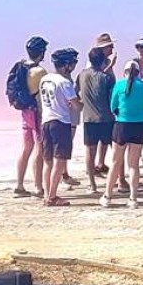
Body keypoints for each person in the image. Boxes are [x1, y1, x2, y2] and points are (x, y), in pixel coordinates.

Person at [39, 48, 83, 207]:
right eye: (73, 63)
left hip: (46, 121)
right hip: (60, 122)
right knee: (59, 160)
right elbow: (77, 106)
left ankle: (47, 194)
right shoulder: (65, 82)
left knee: (48, 161)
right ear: (66, 65)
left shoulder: (45, 79)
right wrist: (81, 104)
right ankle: (52, 196)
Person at [103, 61, 143, 208]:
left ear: (125, 72)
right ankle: (133, 198)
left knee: (115, 162)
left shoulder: (119, 85)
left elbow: (113, 106)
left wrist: (121, 114)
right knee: (134, 164)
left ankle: (108, 196)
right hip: (140, 125)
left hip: (122, 125)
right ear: (138, 73)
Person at [10, 36, 48, 198]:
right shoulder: (40, 72)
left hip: (25, 111)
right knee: (39, 148)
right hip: (36, 112)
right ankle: (38, 187)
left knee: (26, 148)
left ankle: (19, 185)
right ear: (41, 52)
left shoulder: (21, 66)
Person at [76, 47, 115, 193]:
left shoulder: (81, 75)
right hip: (106, 118)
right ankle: (119, 180)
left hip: (88, 118)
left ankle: (92, 184)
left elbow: (75, 92)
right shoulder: (106, 78)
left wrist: (82, 103)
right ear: (103, 61)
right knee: (116, 151)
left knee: (89, 152)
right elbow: (113, 98)